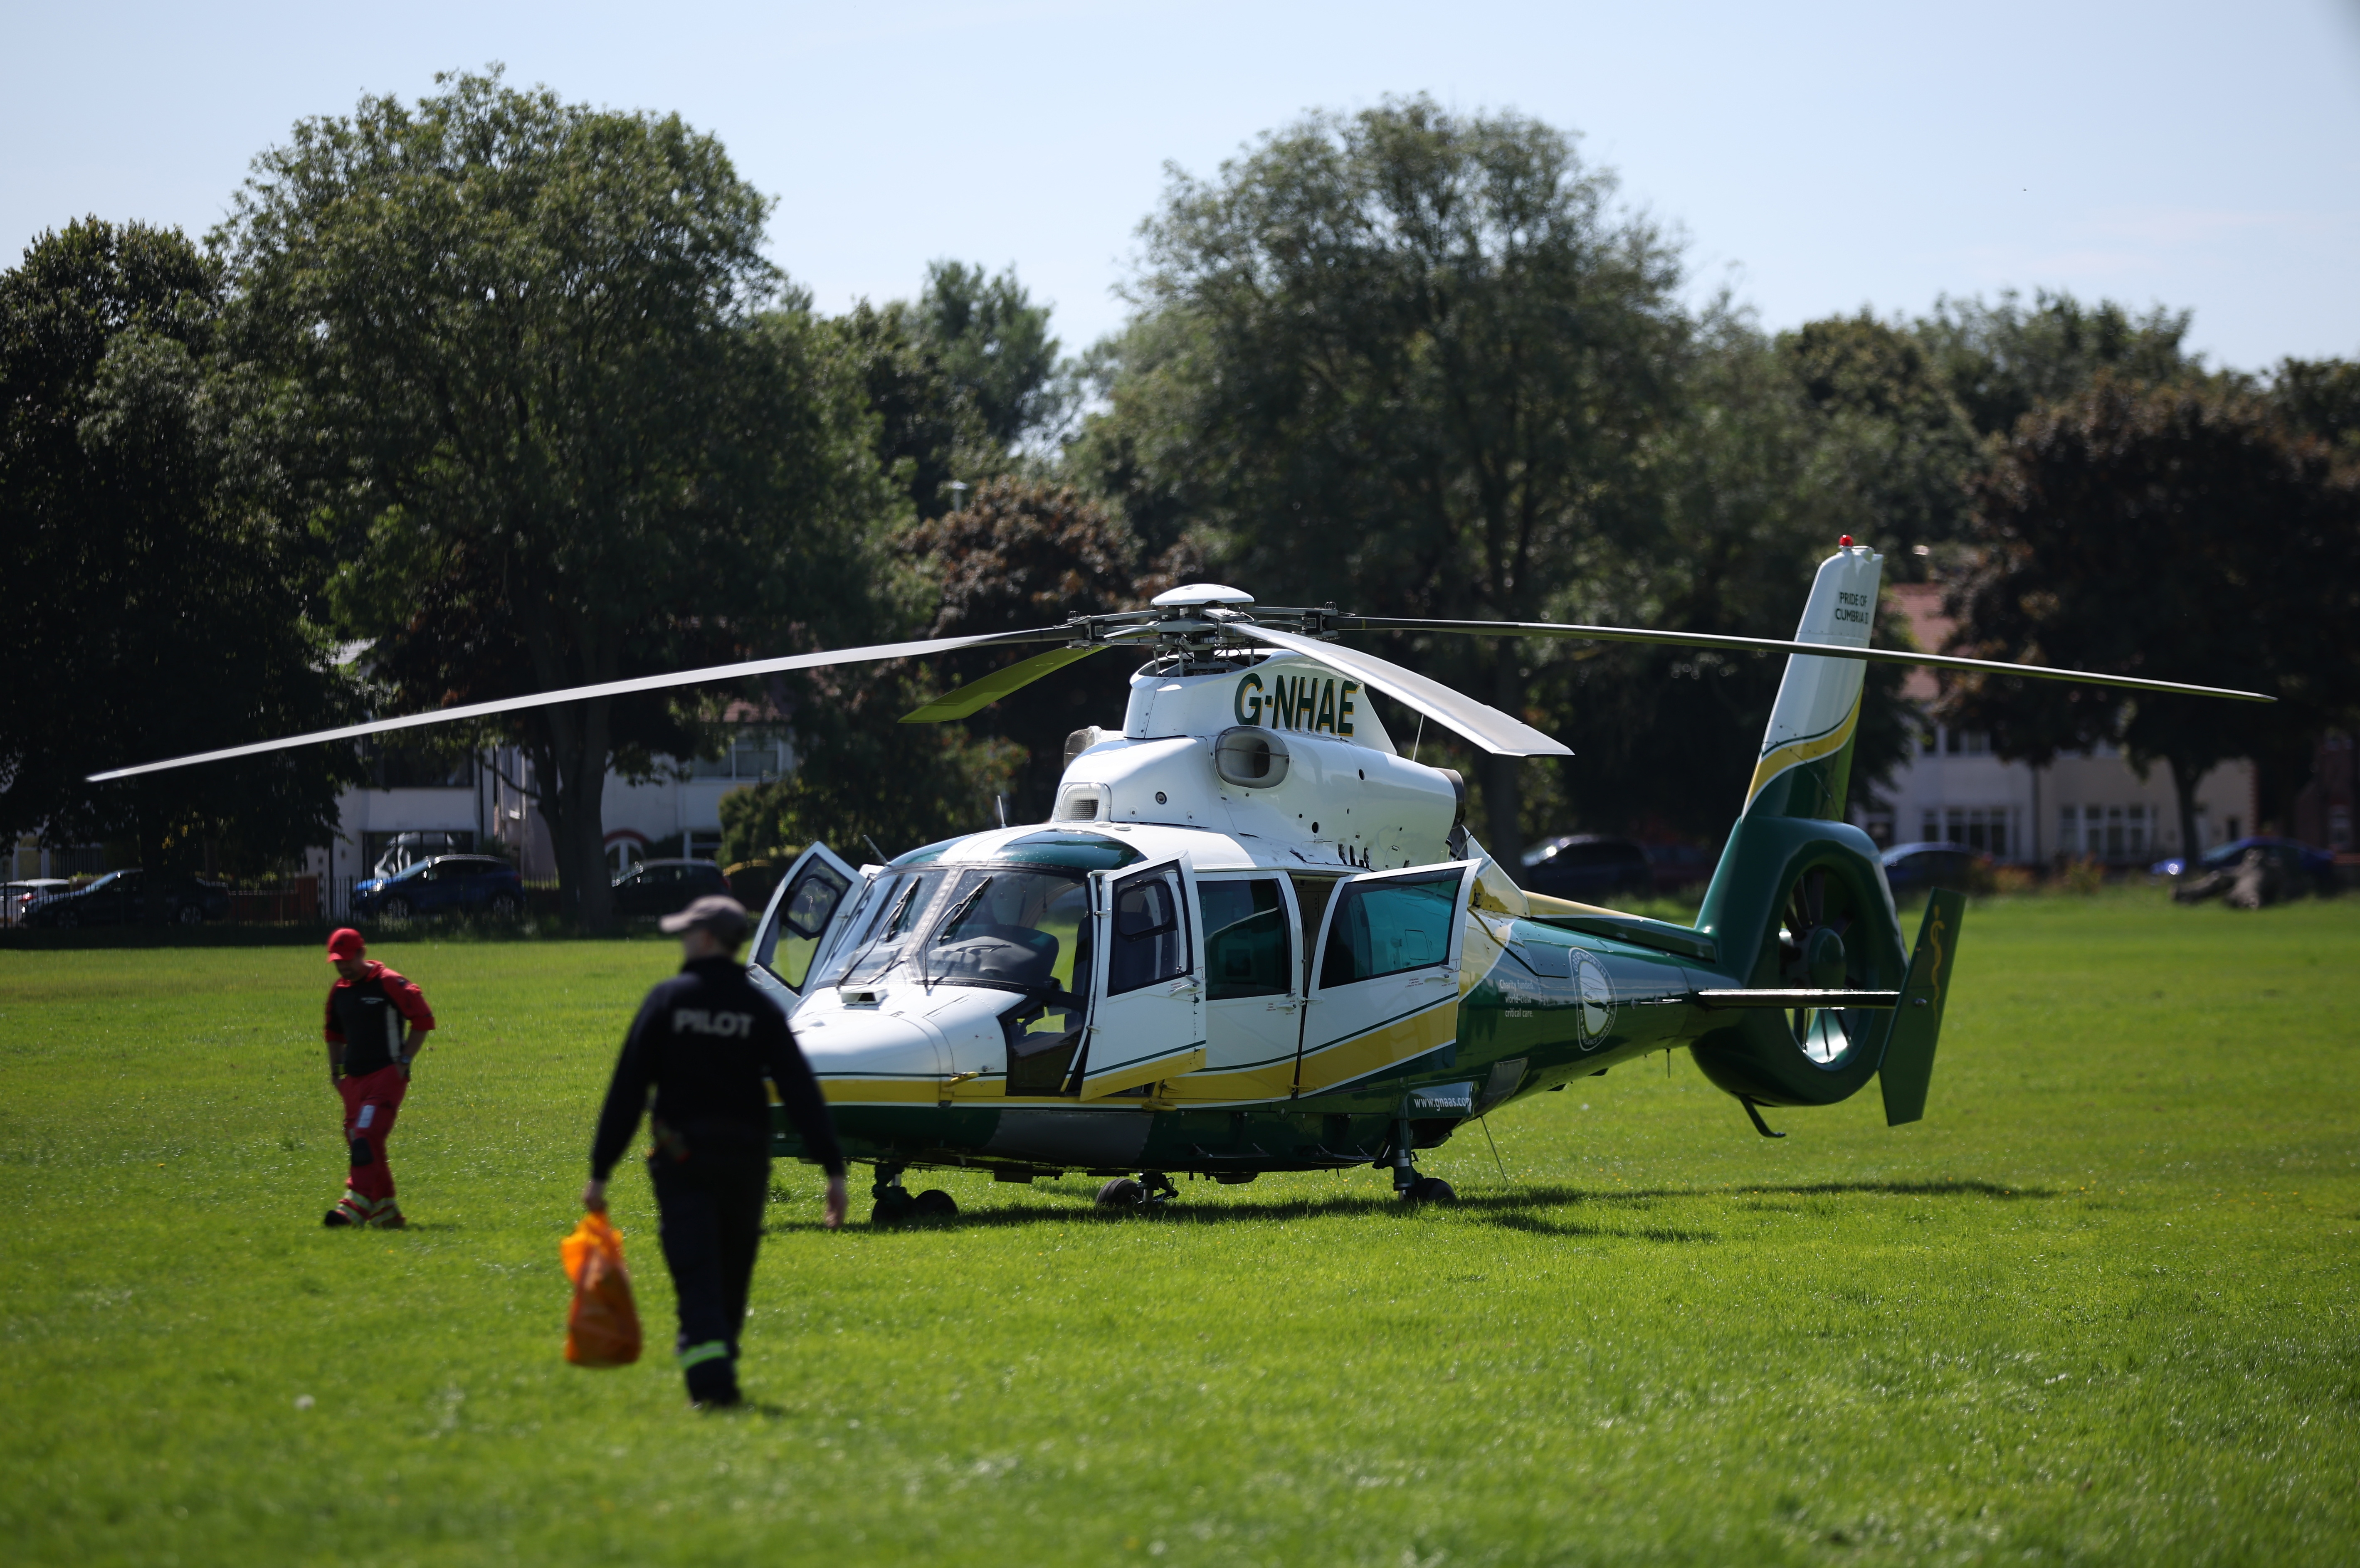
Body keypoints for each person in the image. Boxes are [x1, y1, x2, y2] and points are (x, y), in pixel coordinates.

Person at [584, 894, 849, 1408]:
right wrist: (833, 1168)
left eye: (688, 932)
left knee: (695, 1269)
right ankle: (717, 1368)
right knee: (732, 1269)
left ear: (705, 939)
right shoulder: (758, 1007)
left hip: (683, 1159)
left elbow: (628, 1088)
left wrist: (601, 1170)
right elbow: (799, 1088)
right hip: (746, 1160)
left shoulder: (667, 1000)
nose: (683, 939)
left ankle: (711, 1383)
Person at [320, 927, 435, 1228]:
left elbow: (424, 1020)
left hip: (386, 1075)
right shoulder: (340, 991)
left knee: (366, 1137)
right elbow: (333, 1033)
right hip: (353, 1081)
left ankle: (353, 1208)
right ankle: (386, 1214)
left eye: (348, 959)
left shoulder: (389, 983)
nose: (343, 966)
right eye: (337, 961)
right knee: (362, 1141)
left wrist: (404, 1061)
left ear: (362, 953)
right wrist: (337, 1074)